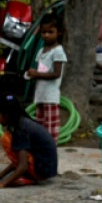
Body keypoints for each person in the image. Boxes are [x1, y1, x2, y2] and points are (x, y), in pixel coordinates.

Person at [0, 95, 58, 188]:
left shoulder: (21, 129)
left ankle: (31, 178)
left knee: (6, 139)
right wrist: (1, 174)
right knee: (10, 139)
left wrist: (3, 183)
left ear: (7, 115)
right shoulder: (23, 122)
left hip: (42, 171)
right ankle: (31, 175)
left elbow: (22, 165)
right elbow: (19, 158)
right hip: (46, 168)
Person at [27, 13, 67, 142]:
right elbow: (41, 70)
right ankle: (42, 150)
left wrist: (37, 74)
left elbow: (56, 74)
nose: (46, 35)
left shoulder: (58, 51)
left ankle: (50, 151)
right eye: (44, 32)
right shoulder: (41, 51)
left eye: (51, 32)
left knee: (51, 129)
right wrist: (31, 74)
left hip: (50, 97)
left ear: (59, 32)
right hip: (40, 96)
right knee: (40, 127)